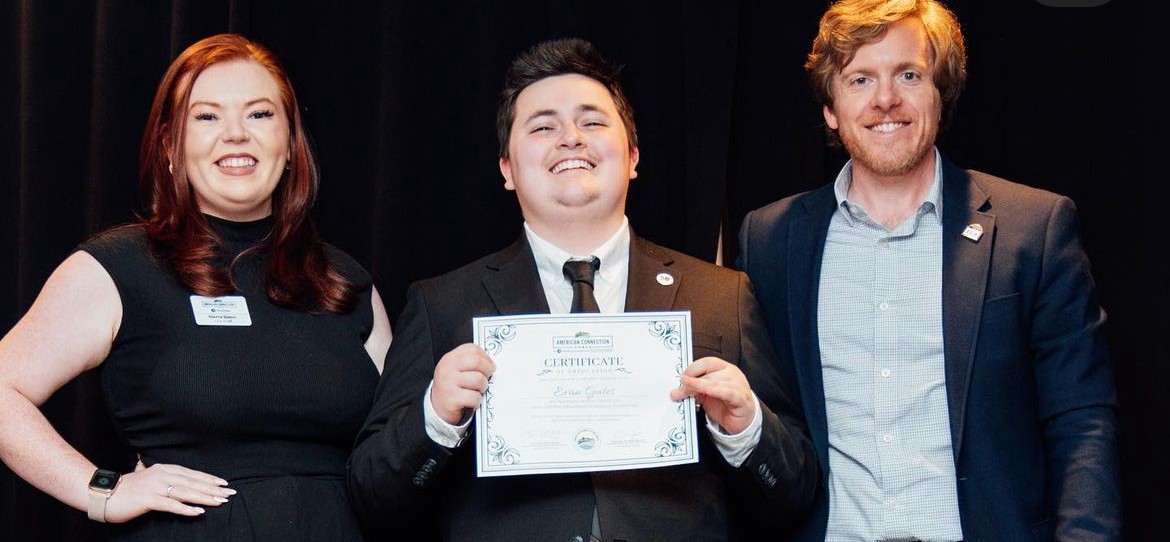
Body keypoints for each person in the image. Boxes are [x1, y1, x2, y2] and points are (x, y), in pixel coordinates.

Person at [347, 37, 818, 541]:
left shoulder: (721, 295)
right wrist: (435, 419)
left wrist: (747, 429)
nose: (571, 138)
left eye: (592, 122)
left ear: (633, 156)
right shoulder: (442, 304)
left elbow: (794, 497)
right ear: (507, 168)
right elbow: (372, 499)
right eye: (543, 126)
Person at [735, 0, 1121, 540]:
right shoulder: (769, 241)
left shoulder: (1034, 228)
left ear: (941, 93)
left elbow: (1081, 421)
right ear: (830, 107)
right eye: (860, 79)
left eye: (909, 75)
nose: (885, 99)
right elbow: (775, 427)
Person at [0, 33, 392, 540]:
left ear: (291, 143)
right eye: (206, 117)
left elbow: (393, 448)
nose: (235, 135)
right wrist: (101, 491)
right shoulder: (119, 266)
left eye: (259, 114)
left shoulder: (346, 281)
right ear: (169, 146)